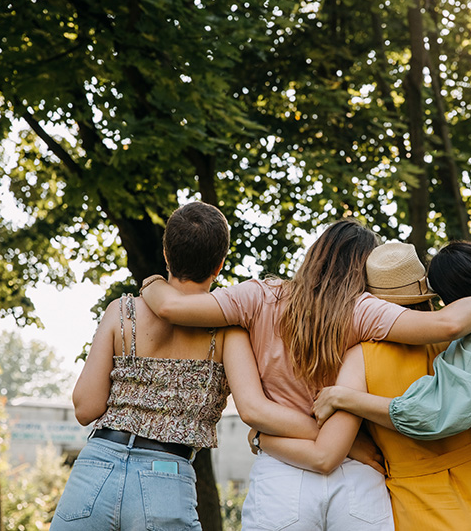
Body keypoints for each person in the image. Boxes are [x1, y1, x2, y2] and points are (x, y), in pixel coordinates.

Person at [139, 218, 471, 530]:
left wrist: (152, 280)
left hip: (284, 472)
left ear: (314, 254)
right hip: (358, 473)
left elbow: (172, 309)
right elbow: (445, 326)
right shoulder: (364, 310)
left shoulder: (258, 297)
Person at [255, 242, 471, 530]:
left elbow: (330, 448)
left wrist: (262, 435)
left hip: (415, 502)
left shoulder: (357, 359)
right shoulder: (463, 345)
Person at [51, 202, 318, 530]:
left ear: (166, 254)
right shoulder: (227, 331)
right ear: (219, 265)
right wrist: (321, 429)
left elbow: (85, 408)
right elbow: (253, 410)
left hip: (95, 469)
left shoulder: (121, 312)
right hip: (166, 478)